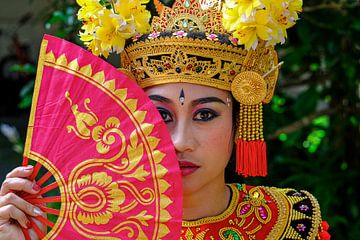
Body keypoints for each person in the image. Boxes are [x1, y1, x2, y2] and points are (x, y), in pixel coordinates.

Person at [0, 0, 331, 239]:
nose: (180, 142)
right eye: (160, 115)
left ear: (240, 120)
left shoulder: (289, 221)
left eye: (205, 114)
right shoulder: (84, 226)